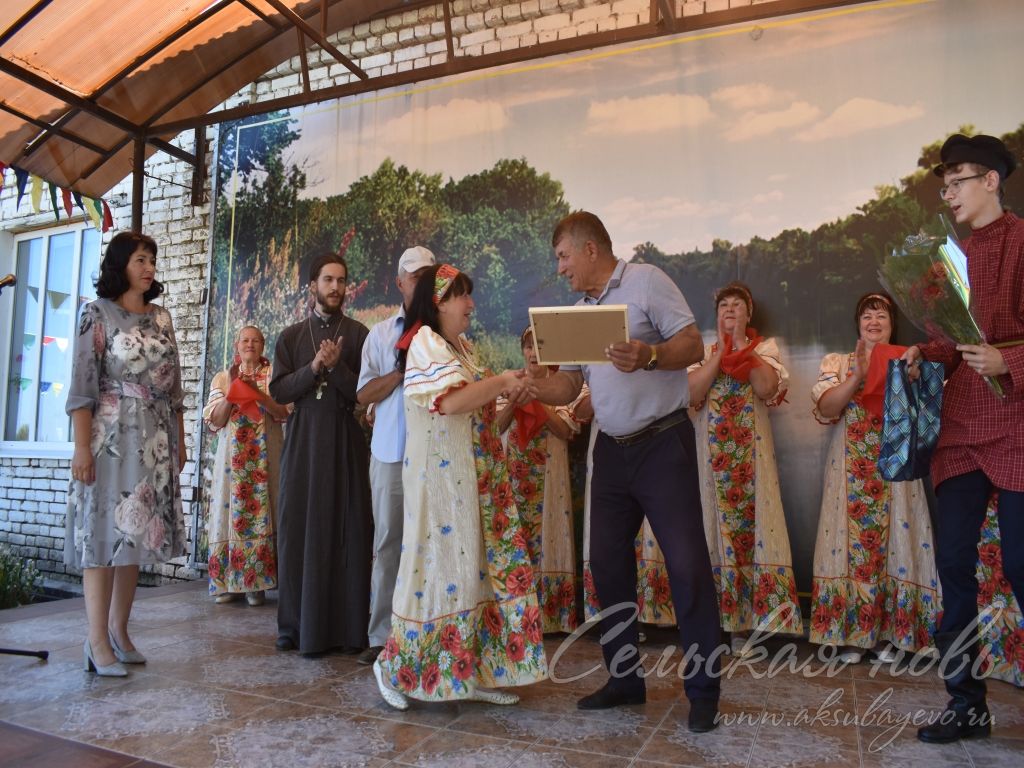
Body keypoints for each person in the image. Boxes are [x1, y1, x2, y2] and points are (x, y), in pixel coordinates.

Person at [529, 211, 721, 733]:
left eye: (564, 256)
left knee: (686, 568)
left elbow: (693, 344)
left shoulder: (647, 282)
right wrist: (528, 386)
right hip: (609, 452)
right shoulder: (577, 310)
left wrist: (650, 354)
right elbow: (568, 389)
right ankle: (625, 679)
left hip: (663, 445)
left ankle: (703, 691)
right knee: (607, 566)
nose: (562, 267)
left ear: (591, 249)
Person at [373, 264, 547, 710]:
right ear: (438, 302)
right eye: (462, 296)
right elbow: (448, 402)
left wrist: (508, 391)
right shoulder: (425, 343)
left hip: (471, 476)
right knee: (432, 570)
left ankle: (472, 670)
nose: (470, 305)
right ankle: (394, 665)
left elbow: (476, 399)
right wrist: (503, 381)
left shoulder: (460, 347)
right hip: (440, 479)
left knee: (470, 572)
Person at [904, 134, 1024, 743]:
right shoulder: (946, 259)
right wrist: (922, 356)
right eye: (943, 185)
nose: (947, 194)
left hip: (1019, 430)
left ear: (992, 182)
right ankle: (966, 705)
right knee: (953, 567)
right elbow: (950, 345)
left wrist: (1013, 365)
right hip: (959, 434)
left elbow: (1002, 353)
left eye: (957, 182)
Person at [65, 232, 186, 676]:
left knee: (137, 536)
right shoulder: (94, 313)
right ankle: (95, 641)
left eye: (152, 258)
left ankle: (119, 631)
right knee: (103, 538)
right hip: (108, 438)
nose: (149, 266)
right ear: (121, 264)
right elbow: (82, 384)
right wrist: (81, 447)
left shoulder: (162, 318)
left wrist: (180, 439)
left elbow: (175, 388)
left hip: (153, 439)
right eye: (140, 259)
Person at [809, 292, 940, 667]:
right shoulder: (838, 362)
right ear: (858, 324)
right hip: (850, 472)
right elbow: (827, 407)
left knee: (895, 546)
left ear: (891, 324)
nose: (873, 320)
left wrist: (915, 380)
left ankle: (888, 634)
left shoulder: (910, 360)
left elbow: (929, 417)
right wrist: (859, 377)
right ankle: (854, 634)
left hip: (897, 472)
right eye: (866, 314)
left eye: (881, 314)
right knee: (852, 549)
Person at [687, 281, 802, 656]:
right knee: (707, 535)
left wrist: (742, 349)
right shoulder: (702, 352)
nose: (730, 310)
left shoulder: (765, 349)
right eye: (723, 306)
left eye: (737, 305)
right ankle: (708, 626)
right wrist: (721, 353)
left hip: (751, 463)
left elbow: (768, 388)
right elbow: (692, 394)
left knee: (751, 536)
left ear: (749, 314)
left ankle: (744, 628)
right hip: (710, 462)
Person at [269, 252, 372, 656]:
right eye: (328, 280)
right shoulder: (292, 337)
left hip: (345, 441)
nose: (335, 287)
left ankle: (347, 629)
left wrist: (338, 369)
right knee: (298, 530)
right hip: (303, 443)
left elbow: (364, 393)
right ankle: (293, 626)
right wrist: (314, 367)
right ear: (313, 285)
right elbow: (278, 391)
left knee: (347, 530)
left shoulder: (360, 335)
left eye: (341, 280)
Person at [355, 245, 435, 665]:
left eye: (429, 276)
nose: (421, 284)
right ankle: (381, 636)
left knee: (434, 545)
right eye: (415, 277)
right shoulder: (382, 335)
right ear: (400, 282)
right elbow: (363, 394)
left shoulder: (445, 332)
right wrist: (401, 373)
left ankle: (429, 632)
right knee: (388, 544)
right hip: (389, 454)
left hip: (436, 460)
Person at [496, 327, 580, 633]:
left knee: (550, 537)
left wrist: (536, 396)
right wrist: (516, 399)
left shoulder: (563, 387)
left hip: (548, 481)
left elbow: (566, 430)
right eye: (529, 347)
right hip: (514, 479)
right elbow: (495, 428)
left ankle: (551, 619)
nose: (533, 353)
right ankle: (517, 617)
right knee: (516, 541)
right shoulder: (508, 382)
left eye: (540, 347)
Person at [203, 325, 288, 607]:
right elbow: (215, 420)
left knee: (264, 511)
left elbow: (285, 412)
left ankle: (257, 584)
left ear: (263, 345)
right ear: (236, 346)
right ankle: (228, 583)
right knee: (228, 513)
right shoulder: (223, 377)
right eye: (245, 340)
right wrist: (234, 392)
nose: (250, 344)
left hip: (266, 459)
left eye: (256, 340)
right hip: (232, 464)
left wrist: (257, 394)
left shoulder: (274, 375)